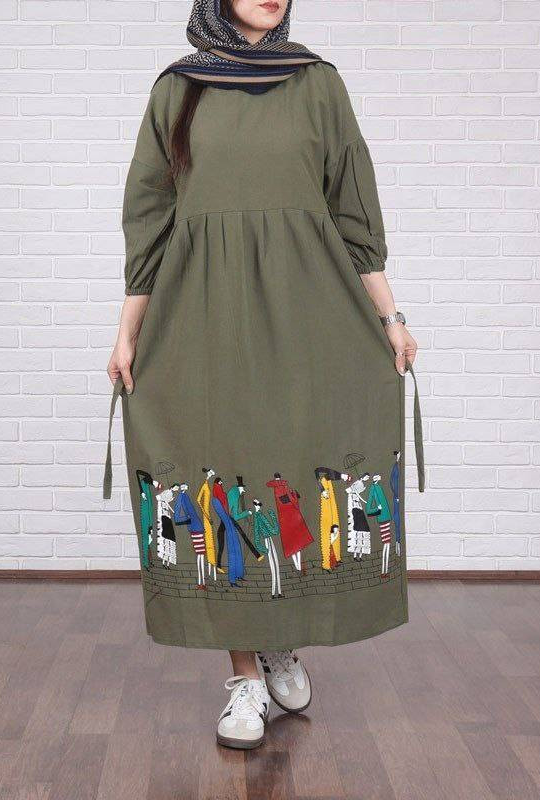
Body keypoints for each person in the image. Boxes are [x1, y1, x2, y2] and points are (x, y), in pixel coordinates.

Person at [104, 0, 423, 750]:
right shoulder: (177, 89)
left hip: (308, 309)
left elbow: (354, 211)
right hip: (201, 314)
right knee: (222, 467)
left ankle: (280, 639)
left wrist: (391, 317)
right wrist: (127, 333)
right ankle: (245, 674)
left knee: (294, 461)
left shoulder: (319, 83)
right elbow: (149, 221)